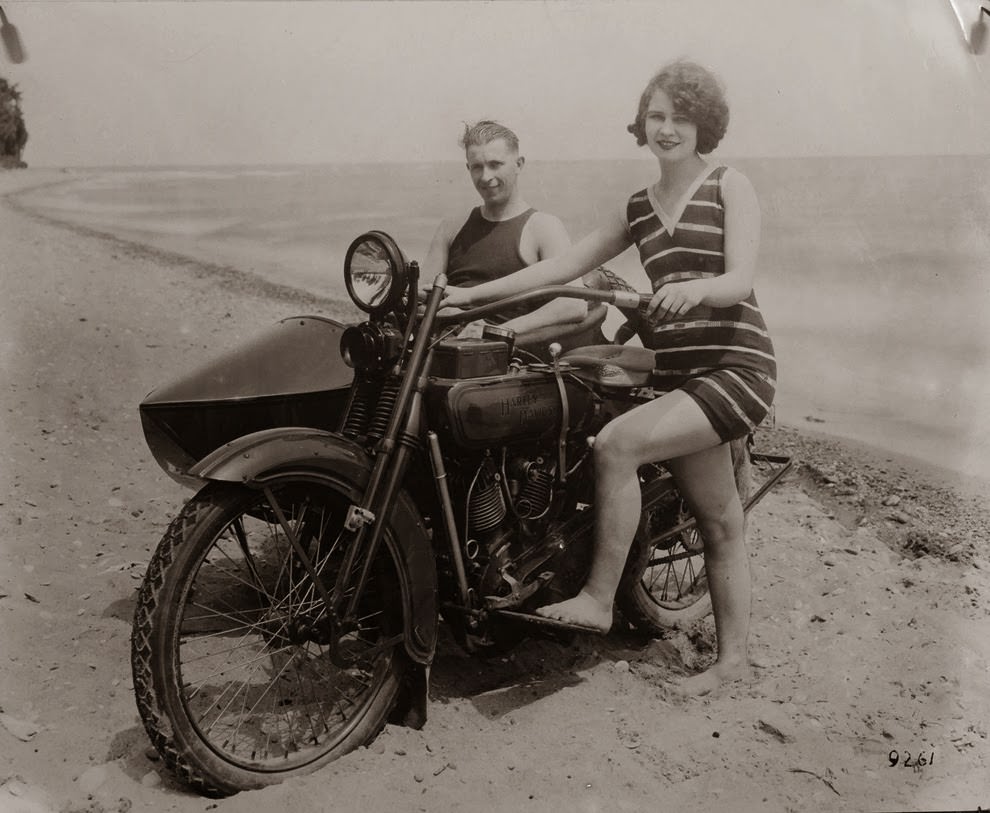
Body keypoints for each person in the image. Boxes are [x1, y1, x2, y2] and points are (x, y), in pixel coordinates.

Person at [440, 61, 776, 696]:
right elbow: (564, 267)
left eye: (680, 117)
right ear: (641, 124)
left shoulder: (731, 185)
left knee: (617, 444)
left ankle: (597, 599)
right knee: (720, 524)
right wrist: (465, 302)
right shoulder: (640, 207)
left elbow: (739, 281)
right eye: (656, 116)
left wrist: (696, 289)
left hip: (736, 366)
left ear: (703, 123)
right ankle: (733, 662)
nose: (667, 129)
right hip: (683, 376)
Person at [423, 120, 588, 335]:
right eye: (477, 167)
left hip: (507, 354)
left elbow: (574, 305)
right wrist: (443, 312)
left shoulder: (542, 227)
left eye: (495, 164)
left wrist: (496, 331)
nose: (485, 177)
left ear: (519, 164)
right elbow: (423, 294)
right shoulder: (451, 226)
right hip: (442, 344)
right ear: (468, 168)